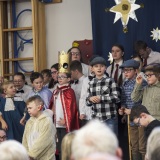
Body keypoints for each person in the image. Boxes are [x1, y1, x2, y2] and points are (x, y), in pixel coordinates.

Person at [49, 51, 79, 159]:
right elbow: (53, 106)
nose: (60, 78)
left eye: (63, 76)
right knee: (59, 147)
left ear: (69, 79)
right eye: (59, 76)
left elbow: (71, 109)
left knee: (66, 147)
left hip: (65, 123)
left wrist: (66, 121)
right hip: (57, 123)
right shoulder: (56, 91)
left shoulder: (69, 92)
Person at [118, 59, 146, 160]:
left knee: (142, 146)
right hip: (131, 119)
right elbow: (124, 100)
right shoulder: (124, 84)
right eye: (124, 71)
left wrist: (133, 111)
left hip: (141, 118)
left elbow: (144, 102)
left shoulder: (142, 83)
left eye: (129, 70)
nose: (126, 72)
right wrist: (123, 109)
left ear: (135, 71)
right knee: (133, 146)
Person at [86, 56, 120, 135]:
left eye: (101, 66)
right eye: (96, 66)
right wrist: (90, 99)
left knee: (111, 143)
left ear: (105, 68)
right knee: (98, 143)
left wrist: (101, 98)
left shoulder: (110, 81)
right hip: (96, 119)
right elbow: (87, 101)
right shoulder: (90, 83)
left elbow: (117, 98)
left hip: (109, 117)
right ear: (92, 69)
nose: (99, 68)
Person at [22, 95, 56, 160]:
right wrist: (25, 153)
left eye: (30, 108)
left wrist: (31, 155)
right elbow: (25, 139)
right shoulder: (29, 121)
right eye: (27, 108)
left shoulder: (47, 121)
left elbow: (44, 141)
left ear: (39, 107)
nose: (28, 110)